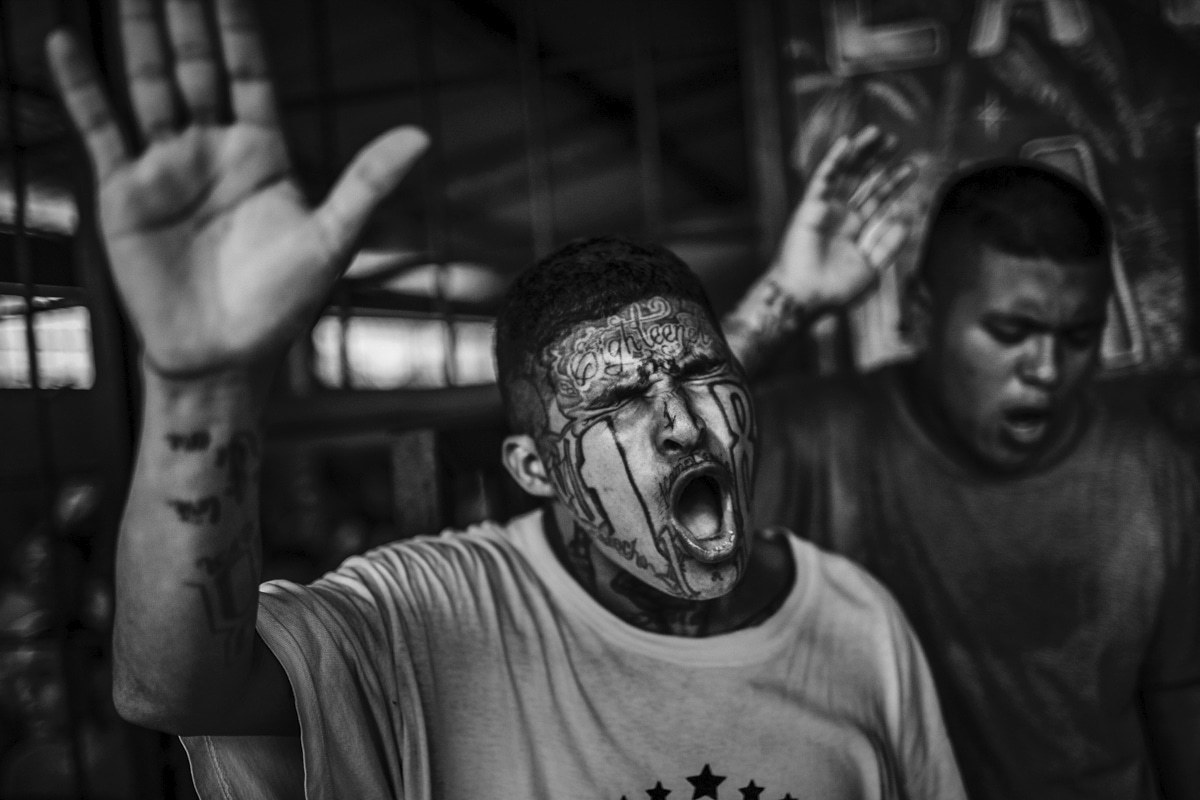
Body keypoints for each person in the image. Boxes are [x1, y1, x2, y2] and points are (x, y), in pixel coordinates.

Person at [45, 1, 967, 797]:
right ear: (535, 471)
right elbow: (172, 690)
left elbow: (662, 403)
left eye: (698, 377)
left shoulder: (860, 624)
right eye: (619, 405)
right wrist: (203, 386)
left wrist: (787, 302)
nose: (683, 421)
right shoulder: (434, 616)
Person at [724, 137, 1200, 799]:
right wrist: (785, 297)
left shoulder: (1149, 468)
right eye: (1010, 332)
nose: (1046, 370)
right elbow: (625, 482)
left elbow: (1180, 702)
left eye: (1078, 337)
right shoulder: (819, 441)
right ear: (921, 315)